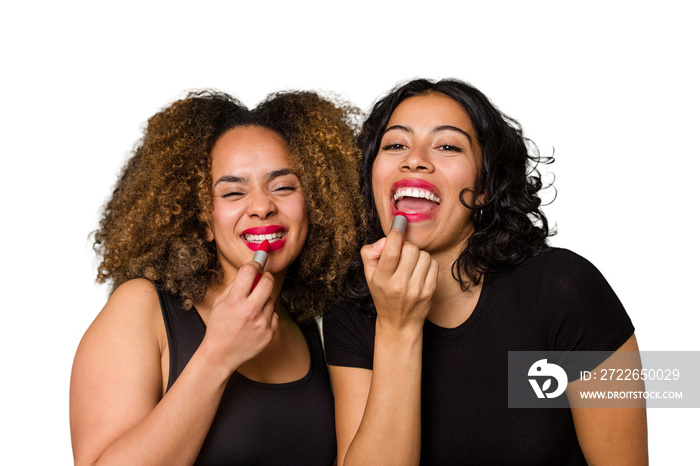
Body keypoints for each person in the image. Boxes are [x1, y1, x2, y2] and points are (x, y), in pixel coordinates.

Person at [323, 78, 648, 465]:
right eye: (395, 145)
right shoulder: (350, 308)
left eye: (447, 146)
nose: (415, 159)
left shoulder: (566, 288)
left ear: (483, 188)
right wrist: (397, 329)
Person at [69, 89, 364, 465]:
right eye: (233, 192)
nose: (262, 206)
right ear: (204, 220)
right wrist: (217, 354)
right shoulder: (141, 308)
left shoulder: (309, 327)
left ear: (316, 205)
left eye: (284, 186)